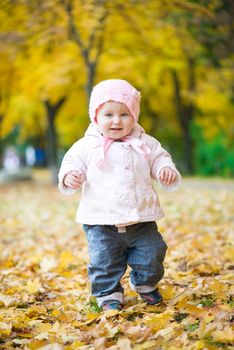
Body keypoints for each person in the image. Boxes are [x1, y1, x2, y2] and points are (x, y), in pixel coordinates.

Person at [58, 79, 181, 311]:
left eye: (124, 114)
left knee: (153, 253)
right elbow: (71, 163)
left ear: (134, 116)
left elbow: (159, 158)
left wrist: (165, 169)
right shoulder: (86, 146)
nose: (116, 121)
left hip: (141, 219)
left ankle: (145, 283)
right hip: (101, 222)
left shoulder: (145, 142)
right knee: (104, 263)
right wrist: (70, 175)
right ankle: (108, 294)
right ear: (96, 117)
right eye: (108, 115)